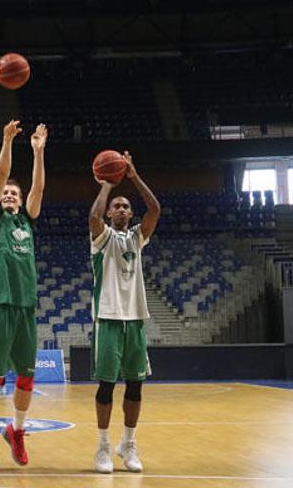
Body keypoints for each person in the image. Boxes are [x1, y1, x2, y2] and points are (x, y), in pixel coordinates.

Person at [0, 121, 47, 469]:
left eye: (14, 193)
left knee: (27, 376)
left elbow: (38, 189)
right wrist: (6, 141)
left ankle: (16, 430)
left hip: (25, 305)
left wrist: (38, 152)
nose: (10, 195)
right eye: (6, 193)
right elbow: (2, 175)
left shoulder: (27, 222)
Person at [88, 151, 161, 474]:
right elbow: (93, 217)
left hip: (135, 320)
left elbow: (155, 209)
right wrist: (106, 184)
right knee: (106, 386)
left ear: (131, 214)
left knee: (135, 386)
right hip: (108, 319)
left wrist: (132, 176)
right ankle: (103, 447)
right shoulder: (102, 238)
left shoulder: (137, 237)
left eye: (125, 206)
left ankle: (127, 443)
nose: (120, 209)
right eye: (116, 206)